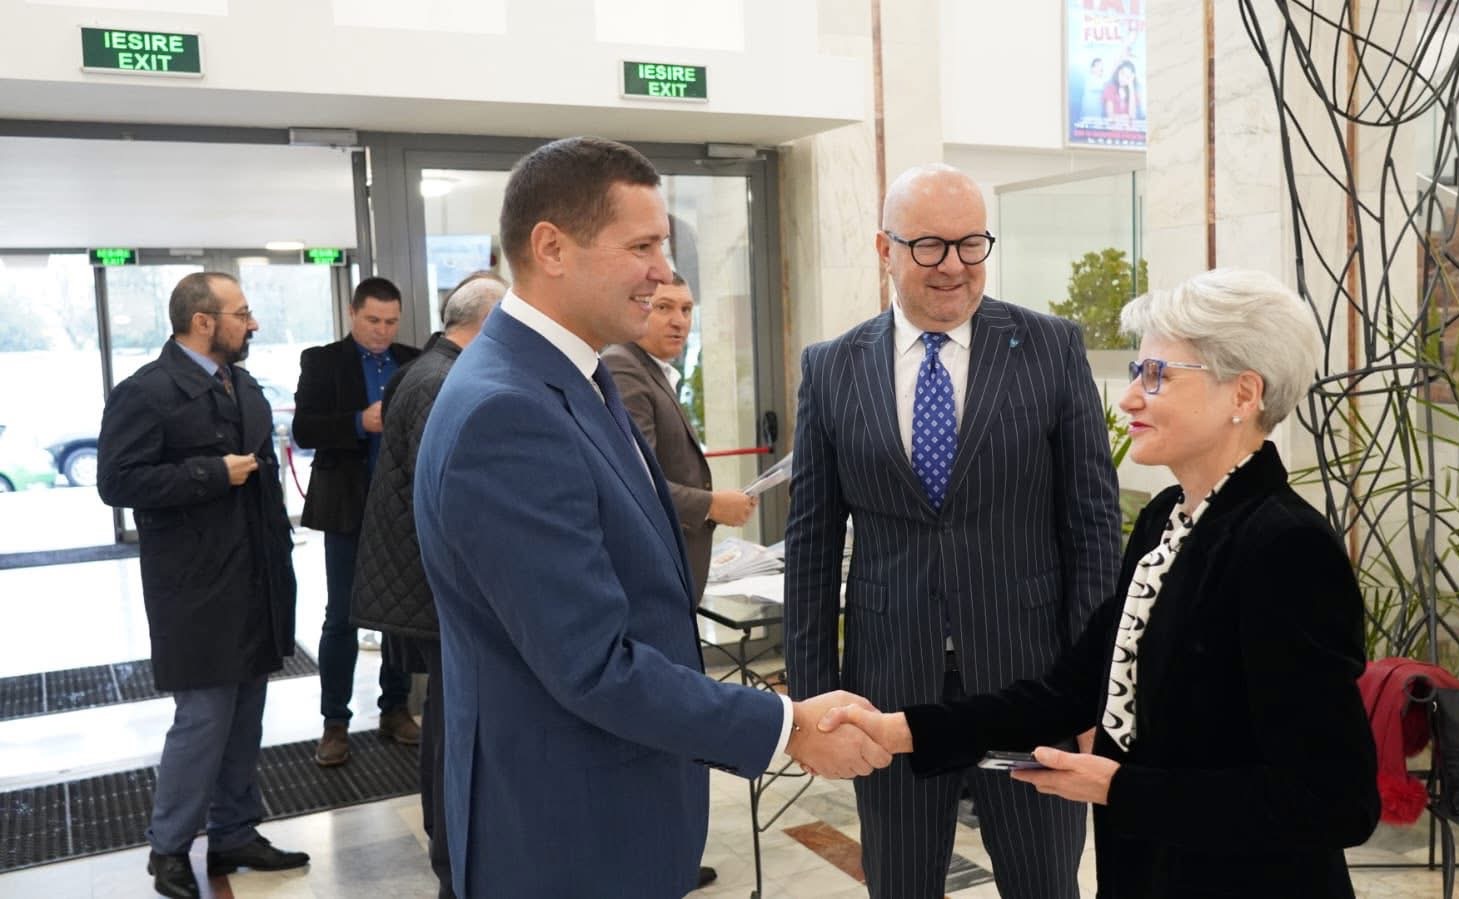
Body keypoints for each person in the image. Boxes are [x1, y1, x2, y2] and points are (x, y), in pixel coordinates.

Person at [411, 136, 890, 899]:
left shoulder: (575, 375)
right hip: (566, 836)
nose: (663, 272)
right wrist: (787, 725)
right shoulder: (507, 411)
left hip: (614, 808)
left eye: (662, 245)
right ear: (551, 247)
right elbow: (592, 664)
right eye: (641, 246)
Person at [820, 269, 1382, 898]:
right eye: (1138, 371)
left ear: (1244, 394)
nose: (1129, 399)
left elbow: (1334, 800)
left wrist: (1118, 787)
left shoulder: (1285, 547)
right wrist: (904, 730)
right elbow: (1069, 690)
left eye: (1157, 375)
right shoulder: (1167, 520)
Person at [783, 162, 1122, 898]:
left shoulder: (1050, 347)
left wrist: (1097, 690)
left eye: (971, 244)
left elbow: (1093, 527)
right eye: (929, 245)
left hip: (1030, 684)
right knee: (901, 883)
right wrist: (811, 704)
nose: (954, 266)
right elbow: (810, 546)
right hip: (887, 690)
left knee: (1044, 883)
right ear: (885, 248)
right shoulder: (832, 368)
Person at [97, 272, 309, 899]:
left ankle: (234, 831)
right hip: (194, 589)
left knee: (246, 717)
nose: (253, 323)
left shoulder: (243, 385)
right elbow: (118, 482)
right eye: (242, 313)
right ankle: (168, 849)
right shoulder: (146, 393)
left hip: (256, 578)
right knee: (203, 722)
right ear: (202, 322)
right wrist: (210, 473)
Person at [348, 271, 504, 899]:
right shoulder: (443, 380)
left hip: (422, 580)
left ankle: (452, 838)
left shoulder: (436, 369)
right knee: (451, 717)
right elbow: (446, 495)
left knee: (446, 710)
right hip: (434, 584)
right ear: (489, 322)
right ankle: (452, 845)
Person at [292, 276, 422, 766]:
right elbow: (304, 429)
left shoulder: (412, 361)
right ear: (352, 314)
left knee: (402, 616)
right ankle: (335, 722)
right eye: (373, 320)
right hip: (348, 506)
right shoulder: (323, 362)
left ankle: (396, 709)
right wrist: (358, 422)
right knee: (342, 616)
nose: (382, 331)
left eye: (391, 322)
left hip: (402, 508)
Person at [601, 272, 757, 597]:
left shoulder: (652, 368)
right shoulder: (623, 366)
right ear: (639, 306)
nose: (679, 321)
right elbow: (636, 481)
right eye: (664, 307)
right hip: (650, 579)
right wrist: (711, 505)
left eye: (686, 310)